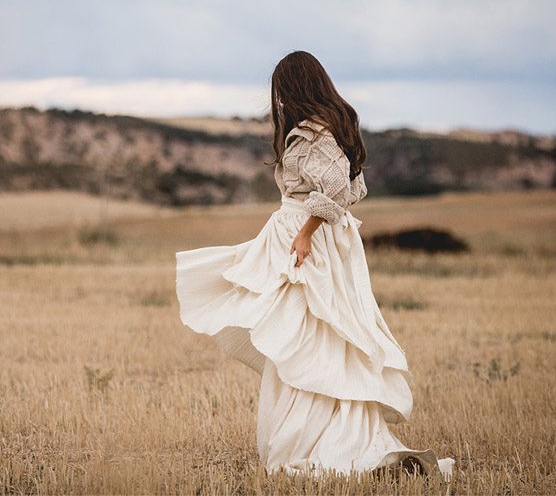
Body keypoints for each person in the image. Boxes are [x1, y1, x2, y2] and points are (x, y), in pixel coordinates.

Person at [174, 50, 455, 481]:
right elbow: (354, 188)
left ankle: (322, 440)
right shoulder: (329, 125)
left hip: (309, 245)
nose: (280, 100)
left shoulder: (317, 131)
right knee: (300, 333)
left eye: (283, 91)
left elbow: (341, 189)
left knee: (311, 336)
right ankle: (312, 433)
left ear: (297, 88)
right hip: (310, 238)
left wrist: (305, 230)